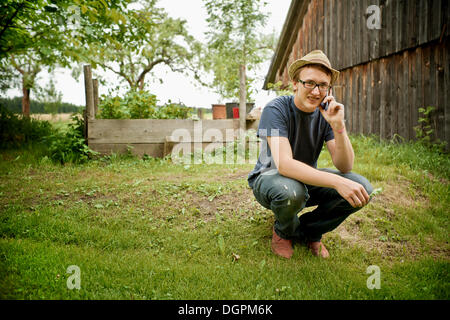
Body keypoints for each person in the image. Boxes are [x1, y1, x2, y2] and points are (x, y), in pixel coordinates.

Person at [248, 50, 373, 259]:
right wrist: (336, 182)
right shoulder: (276, 109)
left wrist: (338, 126)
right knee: (291, 191)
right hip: (270, 179)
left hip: (304, 180)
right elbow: (285, 165)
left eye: (323, 85)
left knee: (362, 187)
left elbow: (345, 166)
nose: (316, 92)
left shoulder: (326, 114)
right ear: (295, 83)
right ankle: (283, 231)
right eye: (310, 83)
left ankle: (310, 231)